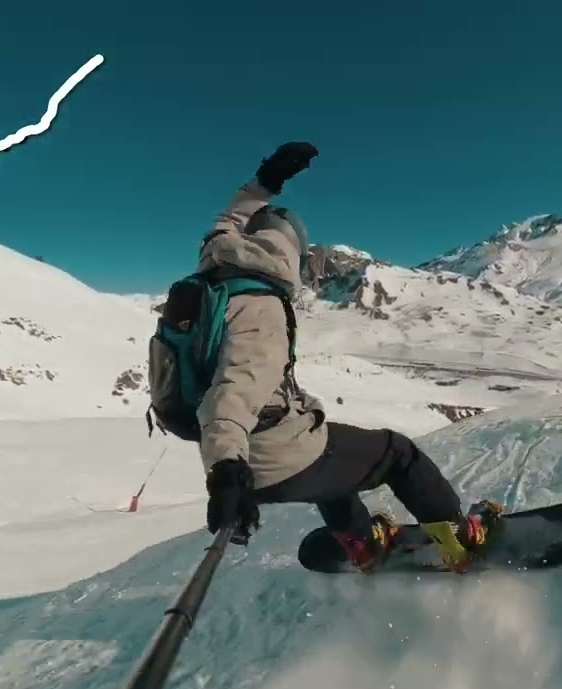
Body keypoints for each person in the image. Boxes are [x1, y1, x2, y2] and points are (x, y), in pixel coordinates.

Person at [194, 141, 501, 572]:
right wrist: (226, 472)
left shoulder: (216, 274)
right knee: (398, 453)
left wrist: (265, 181)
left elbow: (230, 218)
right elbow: (233, 390)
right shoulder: (260, 306)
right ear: (289, 253)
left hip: (250, 455)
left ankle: (361, 541)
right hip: (252, 461)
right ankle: (461, 542)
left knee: (328, 447)